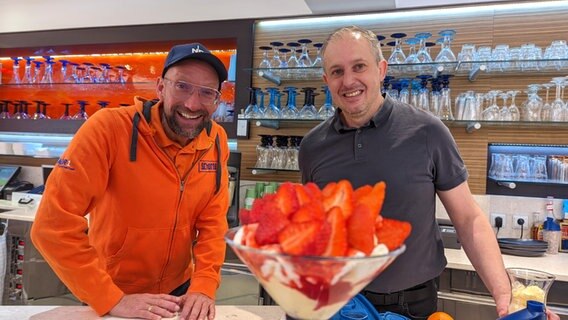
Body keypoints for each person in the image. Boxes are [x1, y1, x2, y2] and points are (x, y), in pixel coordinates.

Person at [299, 25, 536, 320]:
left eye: (359, 66)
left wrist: (505, 295)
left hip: (412, 305)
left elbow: (468, 218)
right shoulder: (312, 146)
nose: (349, 81)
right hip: (339, 303)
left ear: (381, 69)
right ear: (326, 80)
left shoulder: (427, 131)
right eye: (336, 71)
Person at [31, 43, 230, 320]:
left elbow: (212, 222)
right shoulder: (109, 128)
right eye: (182, 86)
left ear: (217, 100)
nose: (192, 104)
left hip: (180, 293)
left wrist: (205, 285)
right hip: (112, 294)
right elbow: (52, 225)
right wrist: (110, 298)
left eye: (206, 92)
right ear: (160, 87)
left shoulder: (216, 140)